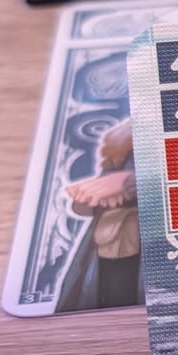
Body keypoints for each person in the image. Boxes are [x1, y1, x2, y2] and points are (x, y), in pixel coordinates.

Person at [56, 119, 142, 311]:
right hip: (111, 238)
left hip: (147, 243)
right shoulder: (122, 137)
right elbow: (97, 195)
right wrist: (89, 195)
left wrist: (128, 183)